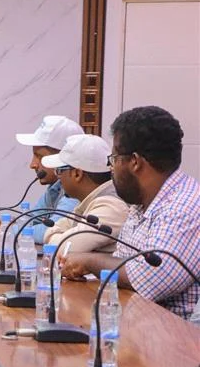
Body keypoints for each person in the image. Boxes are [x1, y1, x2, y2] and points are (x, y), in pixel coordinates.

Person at [60, 106, 200, 320]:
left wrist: (88, 262)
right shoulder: (141, 205)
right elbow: (123, 264)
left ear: (135, 161)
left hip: (173, 337)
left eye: (114, 159)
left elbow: (150, 280)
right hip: (136, 325)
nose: (111, 169)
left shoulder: (185, 206)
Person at [0, 116, 83, 243]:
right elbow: (32, 219)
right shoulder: (55, 187)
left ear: (63, 157)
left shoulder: (75, 191)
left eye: (40, 157)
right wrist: (11, 224)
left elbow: (52, 230)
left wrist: (10, 230)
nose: (32, 165)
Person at [40, 134, 128, 253]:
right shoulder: (90, 201)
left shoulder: (111, 207)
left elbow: (62, 248)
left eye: (59, 171)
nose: (58, 178)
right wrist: (54, 236)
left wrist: (53, 237)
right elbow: (54, 228)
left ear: (77, 174)